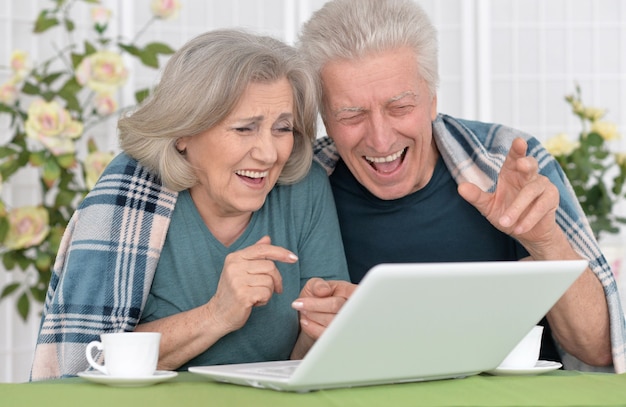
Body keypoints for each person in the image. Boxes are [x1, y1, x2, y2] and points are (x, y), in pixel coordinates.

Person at [296, 0, 626, 373]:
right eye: (351, 114)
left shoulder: (507, 160)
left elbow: (599, 350)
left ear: (433, 99)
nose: (381, 139)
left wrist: (546, 241)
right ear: (324, 117)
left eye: (400, 107)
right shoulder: (299, 186)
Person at [30, 28, 354, 381]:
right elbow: (84, 366)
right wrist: (217, 314)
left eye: (282, 128)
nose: (268, 153)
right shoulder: (129, 198)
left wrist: (318, 330)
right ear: (184, 133)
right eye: (245, 128)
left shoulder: (304, 188)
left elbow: (306, 363)